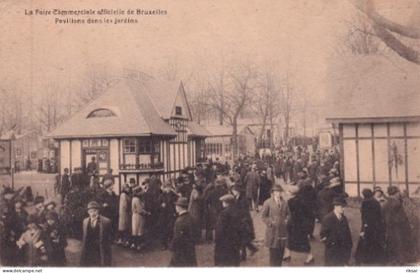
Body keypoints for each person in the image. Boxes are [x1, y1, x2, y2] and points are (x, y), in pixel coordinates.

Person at [283, 185, 314, 265]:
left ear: (291, 193)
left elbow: (288, 213)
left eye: (288, 191)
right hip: (301, 224)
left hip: (295, 224)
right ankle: (288, 254)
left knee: (300, 240)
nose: (287, 193)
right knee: (293, 239)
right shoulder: (302, 200)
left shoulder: (290, 202)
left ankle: (310, 256)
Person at [382, 186, 413, 265]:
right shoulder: (396, 203)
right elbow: (401, 217)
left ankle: (393, 261)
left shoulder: (386, 203)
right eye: (398, 192)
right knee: (400, 243)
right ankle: (400, 261)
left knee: (392, 243)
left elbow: (384, 216)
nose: (399, 194)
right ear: (395, 193)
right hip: (398, 227)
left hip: (389, 227)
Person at [354, 189, 386, 265]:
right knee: (375, 240)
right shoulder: (375, 202)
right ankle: (376, 258)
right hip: (376, 225)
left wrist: (364, 226)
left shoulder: (365, 202)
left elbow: (364, 215)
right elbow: (379, 214)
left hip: (368, 224)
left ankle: (363, 258)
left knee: (365, 241)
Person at [261, 184, 289, 266]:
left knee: (281, 251)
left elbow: (288, 214)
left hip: (282, 231)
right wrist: (270, 223)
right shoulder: (267, 202)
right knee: (273, 253)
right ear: (273, 193)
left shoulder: (285, 202)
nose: (279, 193)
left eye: (280, 192)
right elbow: (263, 216)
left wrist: (287, 220)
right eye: (277, 192)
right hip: (272, 231)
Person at [320, 197, 352, 266]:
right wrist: (331, 243)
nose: (344, 209)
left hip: (343, 250)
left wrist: (349, 244)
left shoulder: (344, 218)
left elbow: (347, 233)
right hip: (332, 250)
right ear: (335, 206)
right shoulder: (328, 218)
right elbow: (323, 235)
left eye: (344, 207)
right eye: (342, 207)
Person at [80, 201, 112, 267]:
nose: (93, 213)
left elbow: (110, 237)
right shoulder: (85, 221)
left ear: (98, 211)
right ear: (88, 212)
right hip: (89, 249)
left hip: (100, 250)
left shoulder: (106, 222)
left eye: (95, 211)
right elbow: (84, 237)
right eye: (91, 211)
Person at [231, 184, 258, 261]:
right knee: (243, 238)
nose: (233, 192)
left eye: (234, 191)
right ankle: (252, 249)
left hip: (244, 221)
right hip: (241, 221)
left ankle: (243, 256)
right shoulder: (237, 198)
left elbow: (244, 211)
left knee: (241, 238)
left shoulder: (242, 200)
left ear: (238, 191)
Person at [214, 194, 242, 266]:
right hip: (235, 242)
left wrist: (216, 240)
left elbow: (219, 230)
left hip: (224, 243)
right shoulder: (237, 211)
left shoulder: (224, 213)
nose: (222, 203)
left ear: (227, 203)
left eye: (223, 202)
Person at [169, 197, 197, 267]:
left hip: (181, 250)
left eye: (176, 206)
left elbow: (177, 237)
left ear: (179, 207)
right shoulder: (191, 218)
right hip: (190, 249)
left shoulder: (179, 221)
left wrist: (172, 246)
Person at [158, 182, 178, 250]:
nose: (167, 189)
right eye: (166, 187)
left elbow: (177, 201)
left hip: (171, 214)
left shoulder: (173, 195)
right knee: (163, 229)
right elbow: (158, 203)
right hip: (163, 215)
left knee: (171, 229)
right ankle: (164, 244)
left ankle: (171, 244)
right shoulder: (162, 195)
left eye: (169, 187)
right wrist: (161, 205)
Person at [131, 186, 148, 251]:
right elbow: (140, 210)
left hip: (135, 216)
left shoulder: (134, 198)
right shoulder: (137, 199)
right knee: (139, 231)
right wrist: (146, 213)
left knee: (135, 230)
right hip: (138, 216)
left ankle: (134, 244)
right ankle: (138, 245)